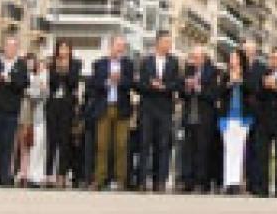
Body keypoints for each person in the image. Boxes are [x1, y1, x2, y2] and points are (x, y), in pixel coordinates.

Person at [90, 35, 135, 190]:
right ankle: (99, 179)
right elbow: (94, 84)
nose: (120, 48)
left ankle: (120, 180)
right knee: (102, 145)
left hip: (121, 108)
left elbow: (132, 84)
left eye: (123, 46)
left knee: (121, 145)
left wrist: (120, 80)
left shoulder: (128, 64)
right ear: (111, 46)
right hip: (104, 107)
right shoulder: (99, 64)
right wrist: (108, 81)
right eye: (118, 45)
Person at [137, 30, 180, 192]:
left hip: (165, 109)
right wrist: (151, 85)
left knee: (163, 145)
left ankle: (159, 181)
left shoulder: (174, 62)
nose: (169, 45)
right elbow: (140, 84)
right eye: (166, 41)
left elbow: (177, 84)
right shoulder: (146, 61)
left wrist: (164, 86)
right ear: (158, 42)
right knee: (144, 144)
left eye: (170, 42)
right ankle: (141, 181)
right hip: (147, 108)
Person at [250, 45, 277, 196]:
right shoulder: (264, 73)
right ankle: (262, 188)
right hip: (264, 119)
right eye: (272, 58)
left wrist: (276, 87)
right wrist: (264, 86)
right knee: (262, 154)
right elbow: (256, 93)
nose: (274, 61)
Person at [0, 37, 29, 186]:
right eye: (7, 46)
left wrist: (11, 80)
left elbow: (24, 83)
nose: (10, 49)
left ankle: (3, 176)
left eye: (13, 46)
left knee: (7, 145)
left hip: (11, 111)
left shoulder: (21, 65)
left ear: (16, 48)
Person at [179, 45, 217, 193]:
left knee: (202, 150)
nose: (192, 60)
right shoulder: (188, 71)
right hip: (189, 115)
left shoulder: (212, 72)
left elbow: (214, 94)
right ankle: (187, 181)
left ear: (203, 58)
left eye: (195, 57)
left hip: (204, 116)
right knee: (187, 150)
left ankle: (202, 182)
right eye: (192, 57)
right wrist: (187, 88)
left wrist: (199, 88)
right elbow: (181, 92)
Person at [45, 39, 81, 188]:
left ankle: (61, 175)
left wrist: (65, 70)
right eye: (61, 48)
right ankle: (48, 175)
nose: (63, 50)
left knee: (64, 141)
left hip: (67, 105)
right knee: (51, 140)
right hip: (53, 104)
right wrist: (58, 70)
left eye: (66, 48)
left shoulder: (75, 64)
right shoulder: (52, 64)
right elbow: (52, 82)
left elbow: (73, 83)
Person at [217, 49, 253, 195]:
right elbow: (218, 92)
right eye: (231, 57)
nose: (232, 60)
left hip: (242, 117)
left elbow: (253, 90)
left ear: (241, 59)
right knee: (228, 149)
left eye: (235, 57)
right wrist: (230, 83)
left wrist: (241, 81)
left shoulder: (248, 75)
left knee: (239, 150)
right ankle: (228, 182)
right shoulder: (225, 75)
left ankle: (236, 182)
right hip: (227, 117)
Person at [23, 54, 49, 187]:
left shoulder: (48, 78)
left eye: (44, 65)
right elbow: (33, 94)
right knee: (35, 145)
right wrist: (40, 90)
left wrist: (43, 90)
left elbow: (47, 95)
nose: (41, 67)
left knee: (43, 147)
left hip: (47, 116)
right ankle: (32, 174)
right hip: (37, 117)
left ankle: (40, 175)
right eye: (40, 65)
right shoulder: (35, 79)